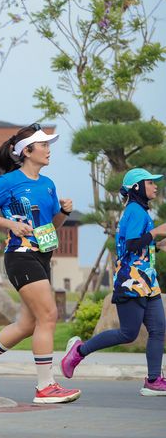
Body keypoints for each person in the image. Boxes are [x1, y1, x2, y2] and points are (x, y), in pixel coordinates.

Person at [0, 123, 81, 404]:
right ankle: (45, 386)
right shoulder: (8, 182)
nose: (48, 150)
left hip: (42, 255)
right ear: (27, 151)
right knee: (48, 315)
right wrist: (11, 224)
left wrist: (64, 212)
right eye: (43, 145)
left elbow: (52, 225)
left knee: (28, 323)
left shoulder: (48, 184)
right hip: (20, 255)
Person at [61, 168, 166, 395]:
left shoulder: (140, 211)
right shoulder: (135, 210)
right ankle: (79, 351)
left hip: (147, 281)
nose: (155, 186)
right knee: (128, 333)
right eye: (150, 182)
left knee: (158, 329)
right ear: (137, 187)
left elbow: (139, 246)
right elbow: (131, 244)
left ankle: (153, 380)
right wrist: (157, 232)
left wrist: (157, 244)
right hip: (132, 281)